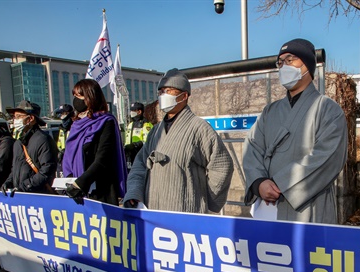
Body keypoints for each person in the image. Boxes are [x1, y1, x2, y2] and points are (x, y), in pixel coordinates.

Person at [242, 38, 348, 224]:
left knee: (306, 251)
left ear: (307, 65)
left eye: (290, 60)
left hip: (309, 207)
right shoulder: (270, 111)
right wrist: (259, 182)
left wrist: (281, 184)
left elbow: (327, 158)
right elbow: (252, 146)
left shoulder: (328, 109)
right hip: (266, 206)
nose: (284, 66)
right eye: (280, 62)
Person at [123, 68, 234, 213]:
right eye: (161, 91)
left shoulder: (199, 128)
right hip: (153, 210)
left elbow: (222, 166)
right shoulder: (155, 131)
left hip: (186, 211)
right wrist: (134, 193)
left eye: (169, 90)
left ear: (184, 95)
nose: (163, 95)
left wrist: (207, 201)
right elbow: (140, 165)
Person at [62, 79, 127, 206]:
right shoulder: (76, 125)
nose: (76, 99)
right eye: (74, 96)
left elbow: (103, 158)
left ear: (90, 97)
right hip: (76, 191)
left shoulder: (106, 121)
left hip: (100, 191)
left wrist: (81, 183)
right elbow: (69, 156)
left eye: (79, 95)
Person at [2, 100, 57, 196]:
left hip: (37, 196)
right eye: (14, 117)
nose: (15, 120)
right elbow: (15, 169)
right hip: (20, 195)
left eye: (19, 116)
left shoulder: (43, 140)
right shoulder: (18, 142)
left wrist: (24, 186)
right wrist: (8, 182)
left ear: (30, 118)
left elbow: (46, 171)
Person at [124, 102, 154, 169]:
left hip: (140, 154)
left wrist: (136, 145)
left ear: (139, 111)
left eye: (133, 110)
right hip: (130, 155)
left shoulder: (146, 125)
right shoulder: (130, 125)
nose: (131, 112)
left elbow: (148, 142)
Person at [54, 104, 74, 177]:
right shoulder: (62, 129)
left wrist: (65, 151)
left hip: (72, 162)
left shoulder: (75, 127)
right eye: (60, 114)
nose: (61, 116)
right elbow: (59, 145)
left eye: (63, 113)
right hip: (62, 162)